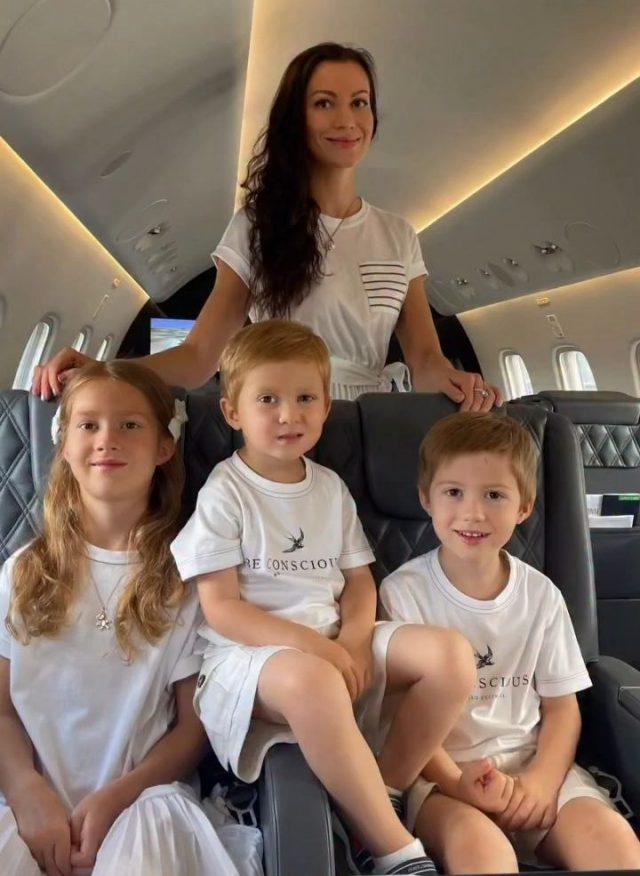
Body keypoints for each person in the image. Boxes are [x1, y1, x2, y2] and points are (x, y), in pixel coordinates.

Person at [33, 42, 500, 411]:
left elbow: (425, 360)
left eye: (360, 103)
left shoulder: (399, 235)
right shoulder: (256, 228)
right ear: (296, 119)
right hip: (280, 420)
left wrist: (462, 385)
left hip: (366, 424)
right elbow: (199, 357)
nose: (347, 120)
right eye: (324, 103)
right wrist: (106, 370)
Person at [171, 320, 477, 875]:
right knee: (314, 680)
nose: (288, 414)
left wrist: (355, 640)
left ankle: (382, 792)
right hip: (248, 659)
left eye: (305, 398)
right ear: (233, 412)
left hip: (333, 644)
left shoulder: (330, 488)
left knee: (452, 657)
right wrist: (320, 649)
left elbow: (359, 580)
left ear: (326, 406)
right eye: (268, 399)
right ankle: (395, 851)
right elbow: (223, 610)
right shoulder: (225, 492)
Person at [0, 361, 240, 876]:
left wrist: (118, 798)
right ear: (65, 445)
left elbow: (191, 729)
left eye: (130, 425)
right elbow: (2, 710)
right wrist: (24, 789)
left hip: (142, 801)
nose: (107, 439)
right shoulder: (22, 571)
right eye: (88, 425)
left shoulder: (188, 578)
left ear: (164, 447)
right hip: (27, 800)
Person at [379, 412, 640, 873]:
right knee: (483, 853)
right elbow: (400, 720)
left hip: (532, 765)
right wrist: (458, 784)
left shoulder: (541, 595)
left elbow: (562, 708)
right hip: (442, 779)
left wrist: (541, 782)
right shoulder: (403, 594)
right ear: (426, 498)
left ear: (524, 507)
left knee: (613, 841)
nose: (473, 513)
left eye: (494, 495)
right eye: (454, 493)